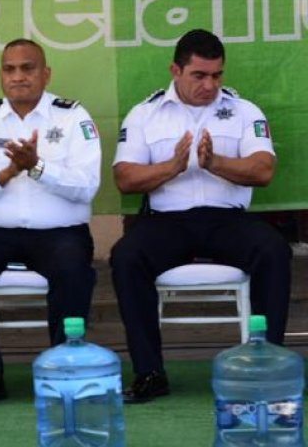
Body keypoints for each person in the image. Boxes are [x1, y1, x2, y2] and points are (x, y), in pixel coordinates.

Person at [111, 29, 288, 404]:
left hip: (228, 221)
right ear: (175, 70)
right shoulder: (145, 114)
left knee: (273, 250)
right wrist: (172, 167)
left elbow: (263, 170)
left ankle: (268, 366)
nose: (210, 84)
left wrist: (214, 162)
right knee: (126, 256)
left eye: (217, 75)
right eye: (199, 75)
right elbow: (125, 178)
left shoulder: (244, 111)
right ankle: (150, 372)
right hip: (167, 222)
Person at [0, 39, 101, 407]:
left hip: (60, 234)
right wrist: (5, 175)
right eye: (10, 69)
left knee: (73, 269)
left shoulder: (73, 117)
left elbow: (87, 187)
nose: (18, 77)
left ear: (46, 74)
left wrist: (38, 168)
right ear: (0, 75)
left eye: (28, 68)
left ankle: (65, 373)